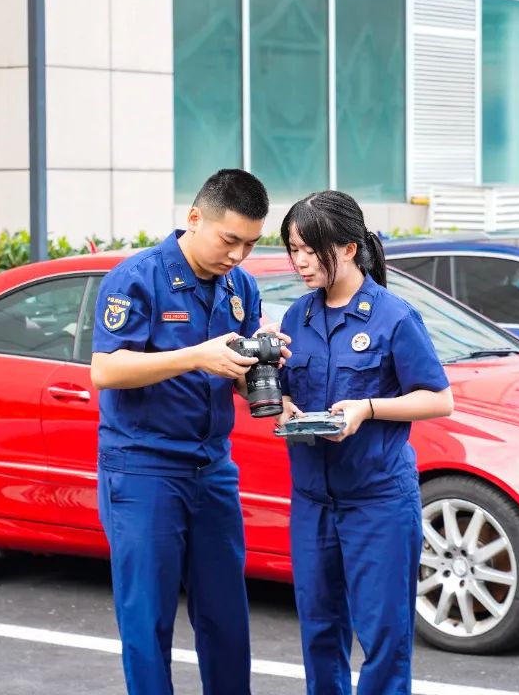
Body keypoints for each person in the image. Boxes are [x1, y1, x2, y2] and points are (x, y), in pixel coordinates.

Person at [90, 168, 288, 694]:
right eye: (230, 240)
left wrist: (266, 368)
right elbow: (106, 370)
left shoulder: (240, 286)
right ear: (194, 218)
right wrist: (196, 356)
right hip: (144, 470)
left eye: (250, 243)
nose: (239, 255)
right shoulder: (137, 277)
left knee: (226, 619)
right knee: (148, 622)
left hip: (213, 470)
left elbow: (240, 377)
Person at [276, 191, 453, 695]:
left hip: (377, 501)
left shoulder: (393, 317)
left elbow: (439, 399)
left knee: (383, 637)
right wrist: (284, 407)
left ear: (350, 248)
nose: (300, 261)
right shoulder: (297, 318)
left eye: (311, 249)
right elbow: (286, 391)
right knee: (319, 629)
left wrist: (368, 409)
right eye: (294, 248)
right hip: (313, 501)